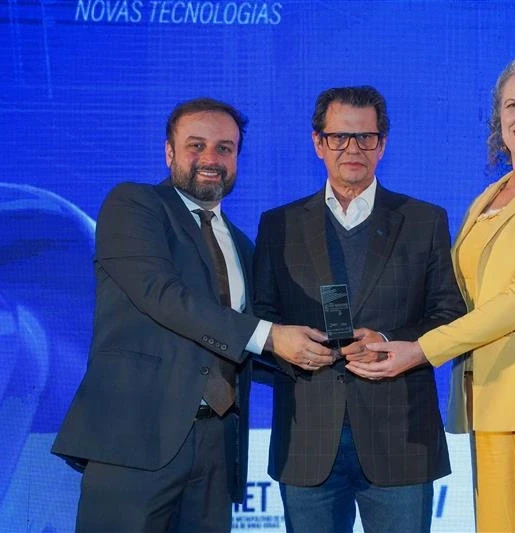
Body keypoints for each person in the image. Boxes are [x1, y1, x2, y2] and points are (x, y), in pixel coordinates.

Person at [349, 53, 515, 532]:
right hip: (491, 404)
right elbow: (457, 301)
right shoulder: (488, 198)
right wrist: (391, 337)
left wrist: (421, 351)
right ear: (499, 119)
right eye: (512, 105)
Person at [51, 97, 334, 532]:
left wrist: (330, 356)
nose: (211, 159)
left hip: (217, 445)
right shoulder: (134, 205)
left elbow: (244, 338)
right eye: (196, 145)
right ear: (170, 152)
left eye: (225, 148)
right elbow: (162, 296)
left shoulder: (241, 244)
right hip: (134, 438)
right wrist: (272, 336)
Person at [253, 85, 466, 533]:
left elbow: (449, 313)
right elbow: (260, 317)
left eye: (365, 137)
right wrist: (287, 347)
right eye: (339, 137)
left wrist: (390, 342)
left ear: (382, 144)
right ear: (318, 143)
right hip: (306, 439)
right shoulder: (279, 225)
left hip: (401, 438)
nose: (352, 148)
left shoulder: (424, 220)